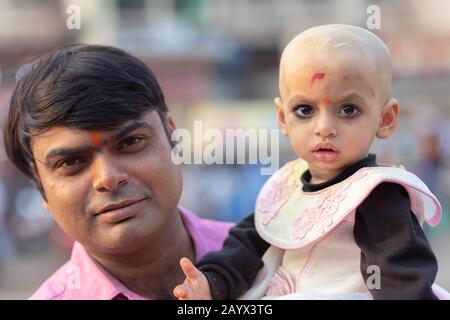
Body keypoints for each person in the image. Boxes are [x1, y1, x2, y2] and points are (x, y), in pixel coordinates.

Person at [173, 24, 450, 300]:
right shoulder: (287, 185)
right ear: (282, 118)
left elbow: (402, 277)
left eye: (348, 110)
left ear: (386, 119)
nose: (324, 127)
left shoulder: (376, 192)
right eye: (304, 110)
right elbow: (245, 247)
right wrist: (212, 282)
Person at [3, 44, 234, 300]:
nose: (108, 178)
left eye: (129, 142)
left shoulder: (272, 255)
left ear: (172, 135)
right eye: (71, 162)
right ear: (40, 184)